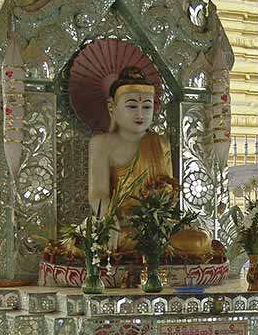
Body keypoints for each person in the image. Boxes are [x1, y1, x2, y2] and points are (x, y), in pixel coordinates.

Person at [88, 65, 212, 260]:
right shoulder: (102, 143)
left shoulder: (160, 143)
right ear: (112, 108)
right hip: (122, 226)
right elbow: (97, 193)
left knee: (200, 240)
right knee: (96, 240)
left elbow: (169, 192)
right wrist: (110, 219)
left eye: (146, 107)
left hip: (156, 227)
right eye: (131, 106)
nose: (140, 114)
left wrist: (165, 207)